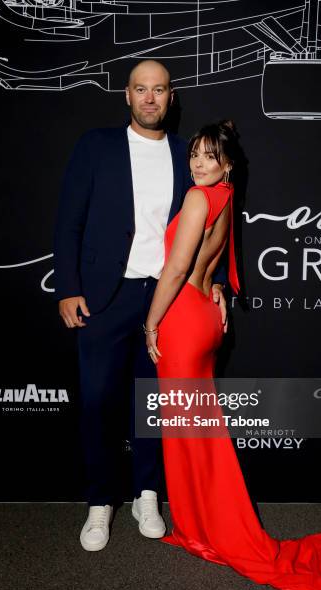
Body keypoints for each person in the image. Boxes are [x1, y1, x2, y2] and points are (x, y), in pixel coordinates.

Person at [144, 119, 321, 590]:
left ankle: (209, 526)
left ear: (226, 163)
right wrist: (221, 288)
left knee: (188, 434)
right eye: (194, 156)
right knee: (197, 431)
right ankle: (199, 521)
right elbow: (214, 262)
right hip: (207, 314)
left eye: (209, 157)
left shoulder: (196, 199)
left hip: (183, 318)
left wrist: (150, 323)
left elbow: (178, 268)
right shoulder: (225, 198)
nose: (198, 164)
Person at [53, 60, 227, 551]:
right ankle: (99, 503)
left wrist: (213, 283)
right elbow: (68, 220)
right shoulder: (96, 146)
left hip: (167, 299)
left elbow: (213, 226)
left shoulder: (186, 154)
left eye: (160, 90)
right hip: (107, 297)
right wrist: (68, 286)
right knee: (99, 403)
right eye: (141, 89)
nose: (151, 98)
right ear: (127, 96)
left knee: (152, 406)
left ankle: (147, 493)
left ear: (171, 98)